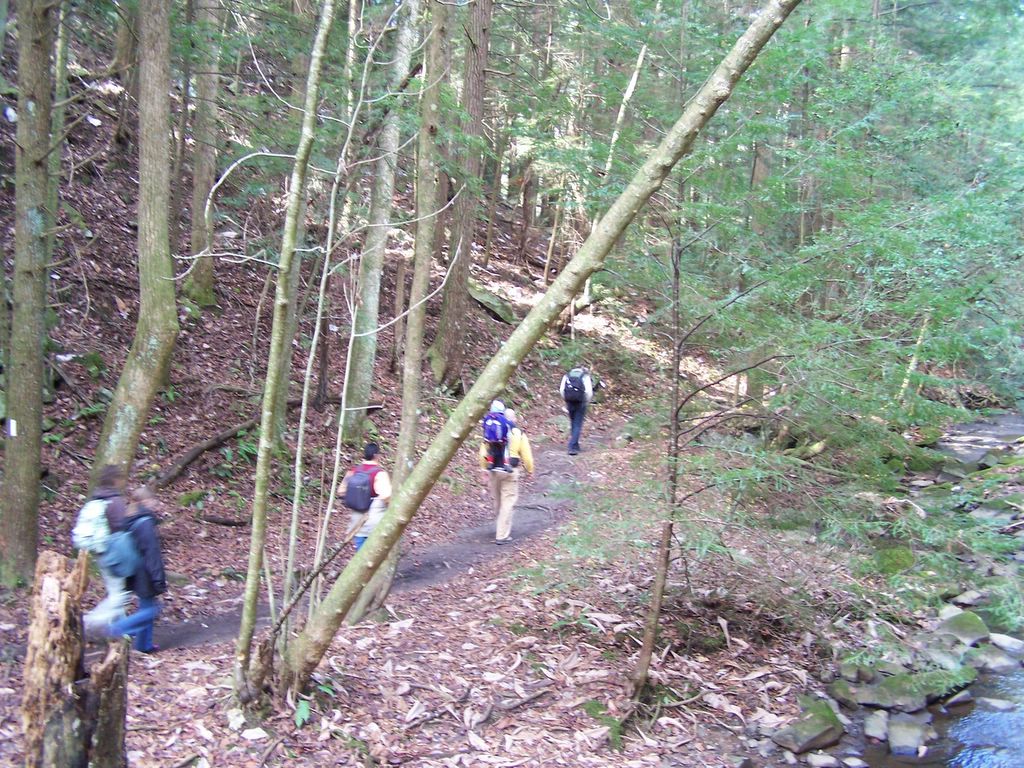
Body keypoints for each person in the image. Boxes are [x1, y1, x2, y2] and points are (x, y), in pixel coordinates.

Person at [106, 487, 166, 653]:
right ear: (145, 502)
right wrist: (158, 578)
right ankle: (117, 628)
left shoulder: (130, 519)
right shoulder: (144, 522)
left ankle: (144, 645)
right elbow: (151, 552)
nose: (156, 504)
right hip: (145, 571)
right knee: (151, 610)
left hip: (134, 571)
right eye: (153, 500)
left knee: (147, 605)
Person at [79, 465, 131, 634]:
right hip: (113, 552)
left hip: (100, 552)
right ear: (116, 480)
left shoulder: (96, 498)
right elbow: (121, 526)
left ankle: (122, 630)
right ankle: (89, 622)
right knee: (120, 595)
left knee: (115, 590)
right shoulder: (115, 501)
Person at [479, 408, 534, 545]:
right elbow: (527, 456)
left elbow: (483, 453)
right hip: (510, 471)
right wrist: (530, 470)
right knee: (508, 502)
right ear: (514, 419)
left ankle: (500, 525)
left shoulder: (491, 431)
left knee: (498, 501)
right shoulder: (518, 433)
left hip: (493, 470)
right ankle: (502, 535)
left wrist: (484, 469)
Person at [342, 443, 392, 550]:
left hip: (357, 523)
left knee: (360, 554)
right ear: (376, 456)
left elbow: (341, 491)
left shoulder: (353, 471)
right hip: (375, 522)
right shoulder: (380, 474)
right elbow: (386, 496)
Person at [560, 366, 595, 455]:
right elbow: (588, 392)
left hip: (569, 401)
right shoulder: (585, 376)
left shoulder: (567, 375)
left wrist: (566, 399)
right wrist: (586, 401)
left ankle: (575, 445)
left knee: (573, 422)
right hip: (580, 402)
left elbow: (562, 390)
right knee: (577, 424)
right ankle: (572, 447)